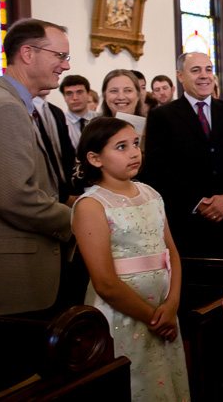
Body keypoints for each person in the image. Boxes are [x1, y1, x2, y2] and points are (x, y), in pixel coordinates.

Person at [0, 19, 73, 395]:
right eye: (59, 55)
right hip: (8, 280)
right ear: (27, 53)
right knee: (12, 384)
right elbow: (13, 196)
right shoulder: (2, 108)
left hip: (12, 274)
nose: (66, 64)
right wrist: (77, 220)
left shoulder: (6, 102)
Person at [71, 117, 190, 401]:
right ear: (95, 158)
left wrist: (172, 305)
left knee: (165, 381)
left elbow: (170, 252)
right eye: (121, 147)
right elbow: (104, 282)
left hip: (163, 309)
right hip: (123, 316)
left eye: (136, 143)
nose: (134, 152)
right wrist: (153, 318)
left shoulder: (150, 193)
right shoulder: (92, 205)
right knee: (135, 384)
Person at [142, 52, 223, 258]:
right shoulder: (162, 116)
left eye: (208, 69)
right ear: (180, 75)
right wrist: (197, 202)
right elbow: (157, 169)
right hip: (186, 222)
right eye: (195, 70)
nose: (204, 75)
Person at [59, 74, 100, 150]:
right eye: (69, 93)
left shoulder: (101, 119)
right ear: (64, 97)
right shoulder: (60, 123)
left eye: (79, 92)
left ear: (88, 94)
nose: (75, 98)